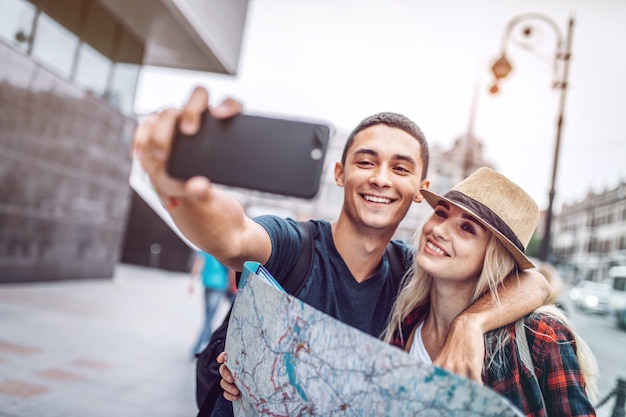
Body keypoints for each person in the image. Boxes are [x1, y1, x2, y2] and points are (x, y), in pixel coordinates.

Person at [132, 86, 550, 415]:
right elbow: (232, 235)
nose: (381, 179)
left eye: (401, 168)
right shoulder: (293, 244)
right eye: (366, 161)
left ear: (421, 190)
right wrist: (180, 190)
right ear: (340, 172)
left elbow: (533, 282)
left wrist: (471, 325)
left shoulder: (413, 276)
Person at [383, 167, 598, 416]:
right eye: (441, 214)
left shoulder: (540, 336)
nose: (439, 230)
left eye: (467, 228)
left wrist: (469, 323)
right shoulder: (404, 315)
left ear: (493, 257)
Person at [189, 251, 235, 357]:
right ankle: (199, 348)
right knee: (209, 319)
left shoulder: (206, 248)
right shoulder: (223, 249)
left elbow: (197, 264)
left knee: (207, 317)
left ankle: (203, 344)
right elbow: (230, 270)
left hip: (208, 285)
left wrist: (192, 281)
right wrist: (229, 287)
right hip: (219, 287)